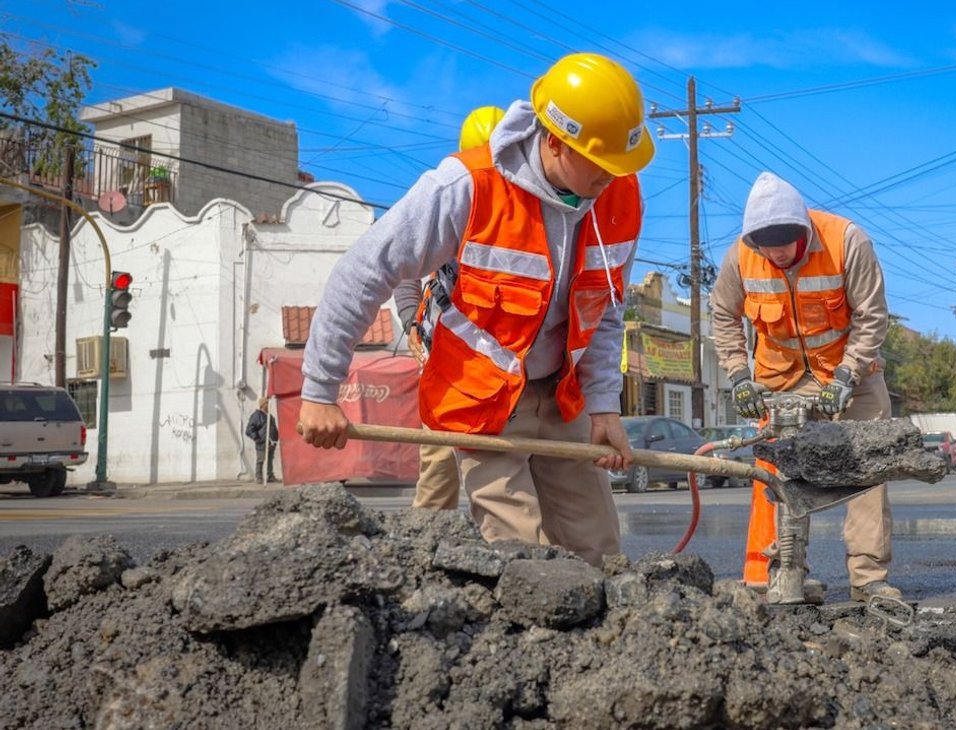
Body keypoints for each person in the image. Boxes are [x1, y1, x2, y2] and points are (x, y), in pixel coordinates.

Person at [296, 53, 655, 567]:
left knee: (597, 549)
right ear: (554, 139)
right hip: (483, 399)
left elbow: (604, 307)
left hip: (563, 398)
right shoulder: (468, 186)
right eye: (599, 165)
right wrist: (319, 391)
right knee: (523, 560)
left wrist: (603, 406)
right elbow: (362, 271)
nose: (610, 179)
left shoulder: (619, 195)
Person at [710, 171, 898, 602]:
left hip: (850, 372)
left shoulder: (847, 241)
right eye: (767, 248)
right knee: (774, 475)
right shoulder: (741, 257)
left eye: (785, 246)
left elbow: (872, 316)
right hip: (781, 377)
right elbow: (723, 317)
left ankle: (869, 582)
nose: (776, 254)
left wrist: (847, 376)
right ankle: (781, 573)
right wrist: (739, 375)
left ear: (804, 231)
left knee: (867, 473)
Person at [393, 105, 507, 511]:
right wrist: (410, 320)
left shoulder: (520, 210)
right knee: (440, 463)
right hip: (444, 353)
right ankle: (425, 551)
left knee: (501, 469)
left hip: (500, 358)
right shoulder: (451, 199)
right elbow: (404, 266)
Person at [245, 397, 279, 484]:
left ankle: (270, 476)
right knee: (261, 460)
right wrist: (256, 438)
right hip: (262, 442)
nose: (268, 405)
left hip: (271, 442)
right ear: (263, 405)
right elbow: (249, 429)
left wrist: (276, 438)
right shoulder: (257, 415)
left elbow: (273, 428)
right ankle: (259, 477)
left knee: (270, 460)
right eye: (266, 403)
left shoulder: (270, 416)